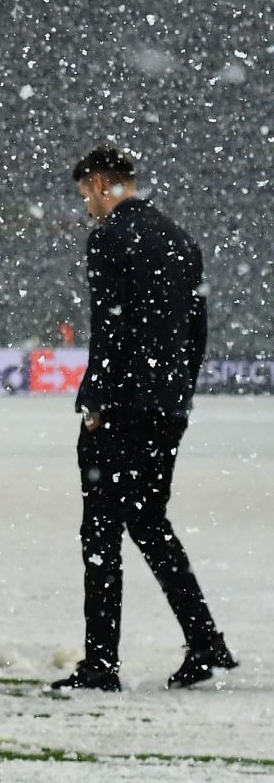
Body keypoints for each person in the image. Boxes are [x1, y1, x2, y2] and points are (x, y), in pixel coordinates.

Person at [51, 148, 236, 692]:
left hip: (124, 408)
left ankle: (101, 663)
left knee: (101, 535)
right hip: (166, 406)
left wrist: (96, 402)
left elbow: (110, 326)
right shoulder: (179, 240)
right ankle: (203, 638)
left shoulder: (110, 238)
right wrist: (178, 395)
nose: (86, 202)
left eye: (86, 191)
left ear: (103, 183)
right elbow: (196, 332)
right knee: (151, 523)